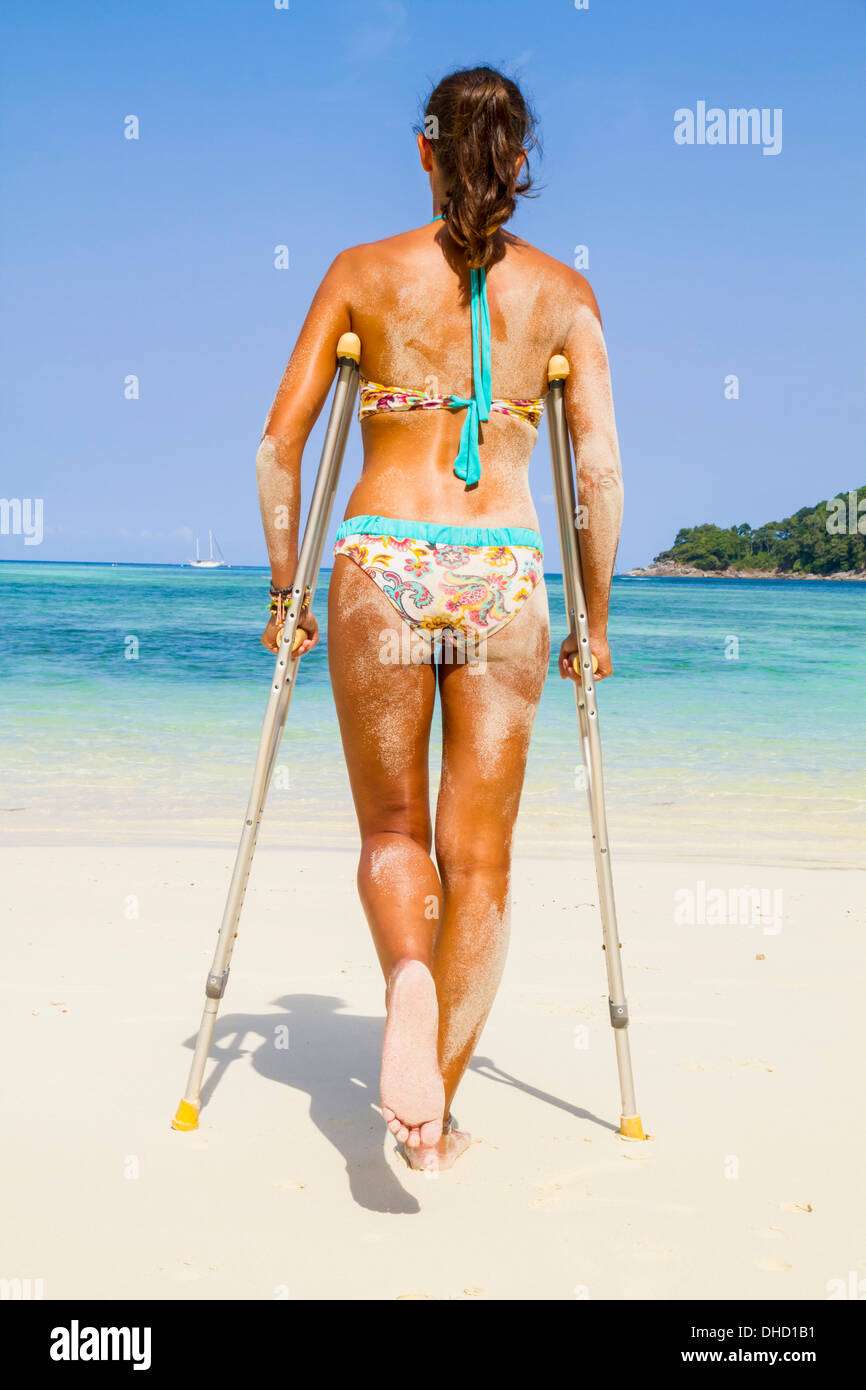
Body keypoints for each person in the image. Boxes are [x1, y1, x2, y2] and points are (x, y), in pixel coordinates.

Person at [255, 66, 623, 1173]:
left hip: (380, 561)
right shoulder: (563, 295)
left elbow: (280, 448)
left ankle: (403, 973)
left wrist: (283, 592)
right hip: (504, 573)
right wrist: (592, 621)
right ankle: (435, 1110)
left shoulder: (359, 273)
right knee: (484, 862)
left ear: (423, 153)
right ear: (519, 162)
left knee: (391, 838)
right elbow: (595, 475)